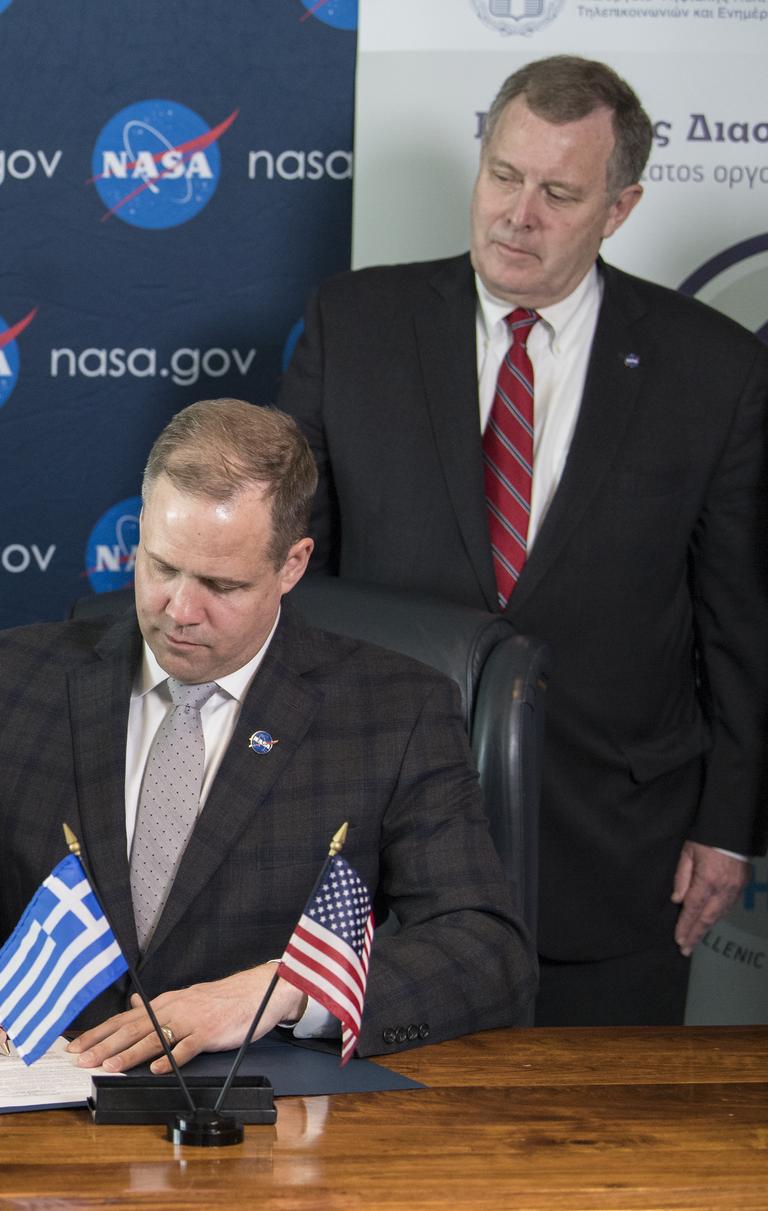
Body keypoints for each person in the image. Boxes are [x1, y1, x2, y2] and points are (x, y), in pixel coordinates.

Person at [276, 55, 767, 1025]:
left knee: (600, 1119)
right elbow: (295, 578)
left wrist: (728, 827)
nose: (517, 214)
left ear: (619, 208)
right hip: (378, 849)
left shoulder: (715, 369)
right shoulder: (356, 324)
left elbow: (741, 626)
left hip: (618, 855)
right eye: (503, 175)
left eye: (558, 193)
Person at [0, 399, 532, 1070]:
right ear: (142, 529)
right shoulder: (8, 681)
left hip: (272, 1109)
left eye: (220, 585)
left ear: (292, 565)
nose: (179, 610)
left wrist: (283, 992)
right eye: (162, 566)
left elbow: (485, 949)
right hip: (45, 1099)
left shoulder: (395, 710)